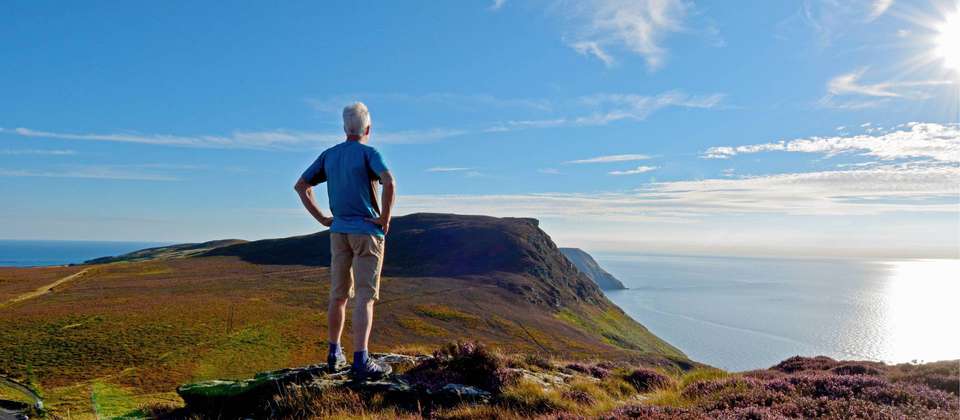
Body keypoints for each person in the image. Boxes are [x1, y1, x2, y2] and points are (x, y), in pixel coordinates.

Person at [294, 102, 396, 380]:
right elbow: (389, 181)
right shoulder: (369, 154)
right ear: (368, 128)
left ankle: (333, 352)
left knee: (338, 295)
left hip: (338, 232)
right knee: (364, 297)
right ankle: (361, 359)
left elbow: (301, 186)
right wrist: (384, 218)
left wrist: (322, 219)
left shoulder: (329, 155)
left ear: (344, 127)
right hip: (367, 232)